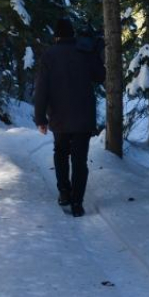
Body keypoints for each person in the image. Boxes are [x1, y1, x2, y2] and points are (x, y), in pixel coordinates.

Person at [34, 18, 105, 217]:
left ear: (56, 35)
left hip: (59, 116)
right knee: (80, 160)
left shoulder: (49, 55)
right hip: (84, 116)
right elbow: (100, 76)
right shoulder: (85, 51)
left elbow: (42, 89)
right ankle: (77, 203)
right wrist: (96, 53)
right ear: (72, 34)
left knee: (61, 153)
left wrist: (40, 118)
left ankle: (64, 192)